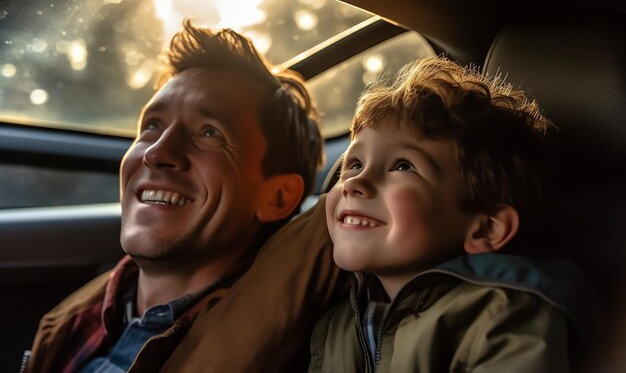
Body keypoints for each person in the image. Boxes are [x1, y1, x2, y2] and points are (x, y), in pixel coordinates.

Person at [25, 19, 345, 373]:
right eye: (152, 126)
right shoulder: (73, 320)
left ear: (278, 197)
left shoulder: (283, 348)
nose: (157, 152)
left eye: (210, 132)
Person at [309, 56, 598, 373]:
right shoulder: (333, 325)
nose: (356, 183)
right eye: (354, 164)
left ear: (486, 228)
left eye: (403, 166)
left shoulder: (502, 316)